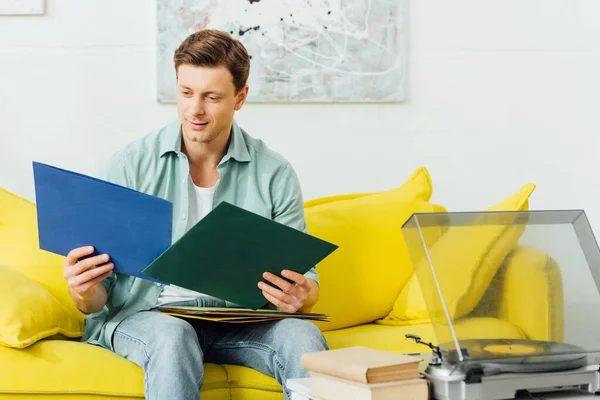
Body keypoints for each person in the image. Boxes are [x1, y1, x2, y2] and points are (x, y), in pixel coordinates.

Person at [62, 29, 329, 400]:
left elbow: (307, 280)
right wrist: (83, 290)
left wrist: (301, 294)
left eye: (212, 97)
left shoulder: (274, 172)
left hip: (239, 321)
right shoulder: (130, 165)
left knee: (304, 336)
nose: (195, 110)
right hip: (151, 317)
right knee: (174, 336)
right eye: (186, 93)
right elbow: (96, 300)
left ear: (240, 98)